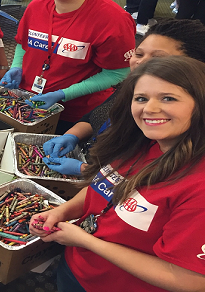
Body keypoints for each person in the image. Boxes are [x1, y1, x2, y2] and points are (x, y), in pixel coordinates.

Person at [30, 56, 205, 292]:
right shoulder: (140, 142)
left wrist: (85, 241)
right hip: (77, 268)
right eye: (141, 98)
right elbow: (102, 189)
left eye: (168, 98)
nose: (150, 109)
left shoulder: (198, 185)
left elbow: (188, 280)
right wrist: (61, 211)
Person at [42, 19, 205, 175]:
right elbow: (95, 116)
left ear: (193, 64)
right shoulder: (132, 88)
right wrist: (72, 135)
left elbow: (145, 177)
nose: (142, 63)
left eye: (158, 59)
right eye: (139, 54)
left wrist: (85, 170)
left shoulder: (174, 120)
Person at [0, 0, 135, 134]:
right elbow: (23, 44)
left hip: (76, 114)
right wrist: (16, 67)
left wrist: (63, 94)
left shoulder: (114, 19)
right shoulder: (36, 7)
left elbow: (118, 73)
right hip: (29, 101)